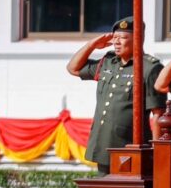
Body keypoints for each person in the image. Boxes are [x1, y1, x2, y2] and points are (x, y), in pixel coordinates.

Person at [65, 18, 165, 174]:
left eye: (123, 38)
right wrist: (91, 45)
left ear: (138, 39)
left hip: (129, 146)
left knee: (129, 187)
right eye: (115, 38)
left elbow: (158, 113)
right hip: (103, 144)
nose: (116, 42)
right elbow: (73, 68)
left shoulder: (149, 68)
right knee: (103, 186)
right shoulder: (108, 62)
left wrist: (158, 152)